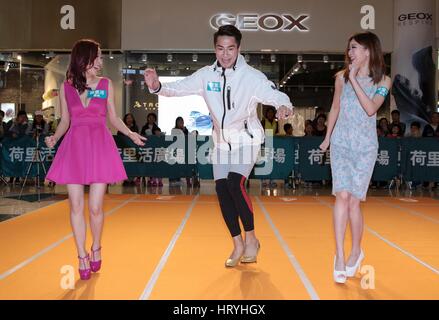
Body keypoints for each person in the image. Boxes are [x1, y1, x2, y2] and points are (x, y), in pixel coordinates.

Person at [144, 25, 293, 267]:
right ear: (215, 48)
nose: (225, 54)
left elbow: (273, 94)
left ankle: (252, 239)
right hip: (221, 142)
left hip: (247, 139)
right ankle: (237, 244)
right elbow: (179, 88)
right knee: (222, 190)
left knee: (236, 183)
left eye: (230, 48)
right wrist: (157, 86)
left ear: (239, 48)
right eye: (220, 48)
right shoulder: (206, 75)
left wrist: (283, 106)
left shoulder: (252, 77)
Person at [44, 39, 145, 281]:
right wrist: (54, 138)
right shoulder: (66, 86)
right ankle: (81, 255)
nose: (101, 61)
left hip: (100, 146)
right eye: (98, 57)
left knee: (96, 207)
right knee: (76, 206)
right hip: (74, 147)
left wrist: (130, 134)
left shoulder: (106, 84)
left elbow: (114, 118)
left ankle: (96, 246)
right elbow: (66, 121)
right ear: (85, 58)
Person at [319, 32, 391, 284]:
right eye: (349, 48)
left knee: (354, 202)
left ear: (368, 51)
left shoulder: (383, 80)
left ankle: (355, 251)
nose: (350, 53)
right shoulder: (341, 78)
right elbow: (335, 107)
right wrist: (327, 137)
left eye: (354, 48)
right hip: (341, 143)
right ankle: (339, 256)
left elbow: (371, 108)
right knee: (342, 195)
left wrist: (354, 79)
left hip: (365, 147)